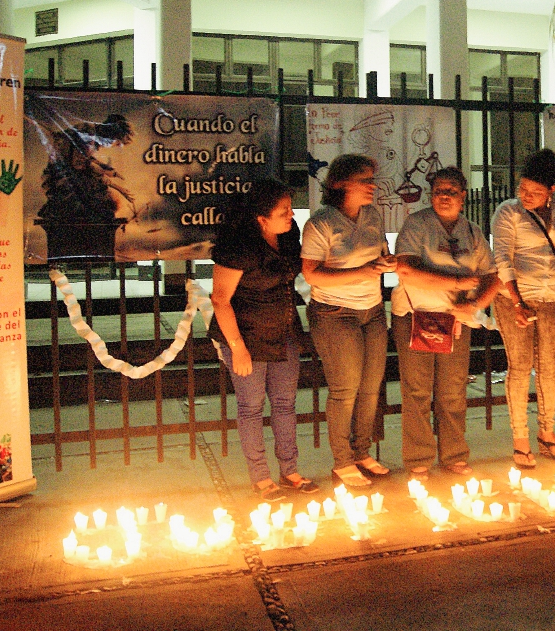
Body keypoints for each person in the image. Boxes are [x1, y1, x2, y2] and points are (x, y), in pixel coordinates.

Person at [209, 178, 319, 502]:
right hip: (247, 338)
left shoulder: (287, 238)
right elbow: (219, 299)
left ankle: (290, 470)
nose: (291, 215)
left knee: (285, 404)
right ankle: (260, 477)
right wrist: (237, 348)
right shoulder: (238, 247)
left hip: (284, 331)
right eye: (283, 210)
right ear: (261, 218)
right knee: (251, 407)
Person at [392, 167, 501, 477]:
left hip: (455, 322)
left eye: (451, 191)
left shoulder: (472, 232)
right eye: (438, 190)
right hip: (417, 317)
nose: (444, 196)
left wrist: (475, 304)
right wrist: (458, 283)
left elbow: (492, 276)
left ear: (463, 196)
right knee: (417, 392)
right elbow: (407, 270)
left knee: (453, 391)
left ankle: (453, 454)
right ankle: (419, 459)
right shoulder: (417, 224)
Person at [302, 154, 397, 489]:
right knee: (345, 389)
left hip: (372, 310)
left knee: (371, 389)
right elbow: (312, 274)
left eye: (372, 179)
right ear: (341, 184)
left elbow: (380, 250)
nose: (372, 186)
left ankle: (361, 452)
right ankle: (342, 461)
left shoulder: (372, 215)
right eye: (364, 180)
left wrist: (386, 261)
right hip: (334, 313)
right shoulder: (321, 223)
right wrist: (363, 271)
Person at [491, 149, 555, 469]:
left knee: (548, 366)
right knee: (519, 366)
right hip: (516, 296)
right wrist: (516, 302)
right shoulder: (507, 212)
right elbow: (501, 258)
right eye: (522, 188)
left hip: (553, 296)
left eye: (535, 191)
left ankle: (547, 431)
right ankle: (520, 439)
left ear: (551, 191)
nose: (526, 195)